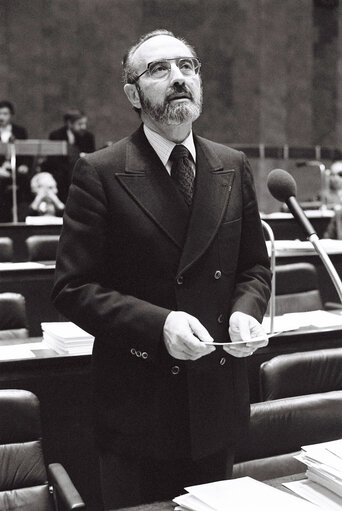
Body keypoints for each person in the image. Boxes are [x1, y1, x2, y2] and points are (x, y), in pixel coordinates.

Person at [52, 29, 271, 509]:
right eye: (159, 69)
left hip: (216, 401)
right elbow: (72, 287)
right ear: (133, 93)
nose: (178, 78)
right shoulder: (101, 170)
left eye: (188, 66)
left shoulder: (232, 165)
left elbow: (253, 265)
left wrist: (245, 310)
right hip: (140, 410)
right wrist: (160, 324)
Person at [47, 109, 95, 202]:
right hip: (61, 174)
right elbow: (52, 160)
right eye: (80, 124)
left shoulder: (88, 136)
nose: (83, 127)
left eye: (85, 124)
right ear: (69, 123)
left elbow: (92, 156)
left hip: (81, 171)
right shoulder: (56, 135)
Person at [0, 100, 31, 221]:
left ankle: (22, 219)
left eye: (5, 113)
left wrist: (24, 165)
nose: (1, 117)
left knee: (24, 183)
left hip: (17, 171)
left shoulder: (20, 131)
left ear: (11, 115)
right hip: (1, 172)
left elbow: (27, 153)